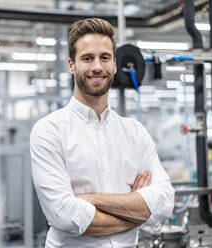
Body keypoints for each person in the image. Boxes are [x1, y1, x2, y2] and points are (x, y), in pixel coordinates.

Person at [30, 18, 174, 248]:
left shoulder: (135, 133)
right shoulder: (49, 130)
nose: (97, 66)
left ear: (115, 65)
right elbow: (64, 216)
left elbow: (165, 202)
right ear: (71, 65)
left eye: (104, 57)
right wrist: (136, 212)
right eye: (87, 58)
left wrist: (93, 201)